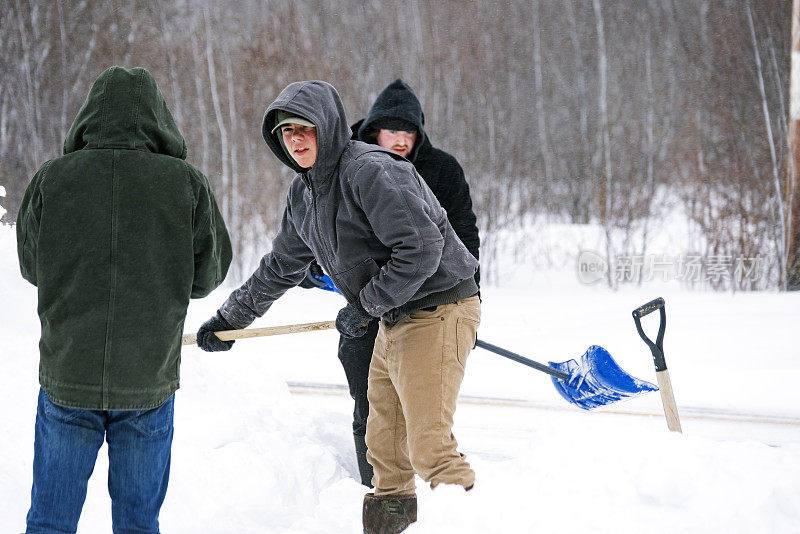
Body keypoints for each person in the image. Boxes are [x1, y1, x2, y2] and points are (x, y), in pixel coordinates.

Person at [195, 80, 480, 533]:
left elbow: (422, 249)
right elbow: (280, 267)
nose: (295, 139)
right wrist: (231, 319)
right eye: (286, 131)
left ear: (326, 128)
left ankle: (481, 518)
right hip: (394, 315)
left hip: (437, 308)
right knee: (384, 447)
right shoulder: (304, 195)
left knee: (428, 446)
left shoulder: (370, 171)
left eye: (304, 128)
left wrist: (366, 304)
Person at [16, 66, 232, 533]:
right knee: (137, 523)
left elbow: (33, 267)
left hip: (68, 374)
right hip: (147, 381)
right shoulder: (185, 184)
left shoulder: (52, 179)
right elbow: (208, 275)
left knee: (50, 522)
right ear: (159, 119)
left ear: (88, 116)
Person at [300, 78, 480, 489]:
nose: (400, 139)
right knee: (375, 423)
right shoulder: (339, 169)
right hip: (370, 306)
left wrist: (466, 308)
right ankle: (378, 492)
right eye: (391, 130)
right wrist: (317, 268)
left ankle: (459, 512)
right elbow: (326, 235)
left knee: (426, 436)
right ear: (372, 130)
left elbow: (462, 238)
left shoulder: (441, 170)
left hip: (427, 305)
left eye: (409, 131)